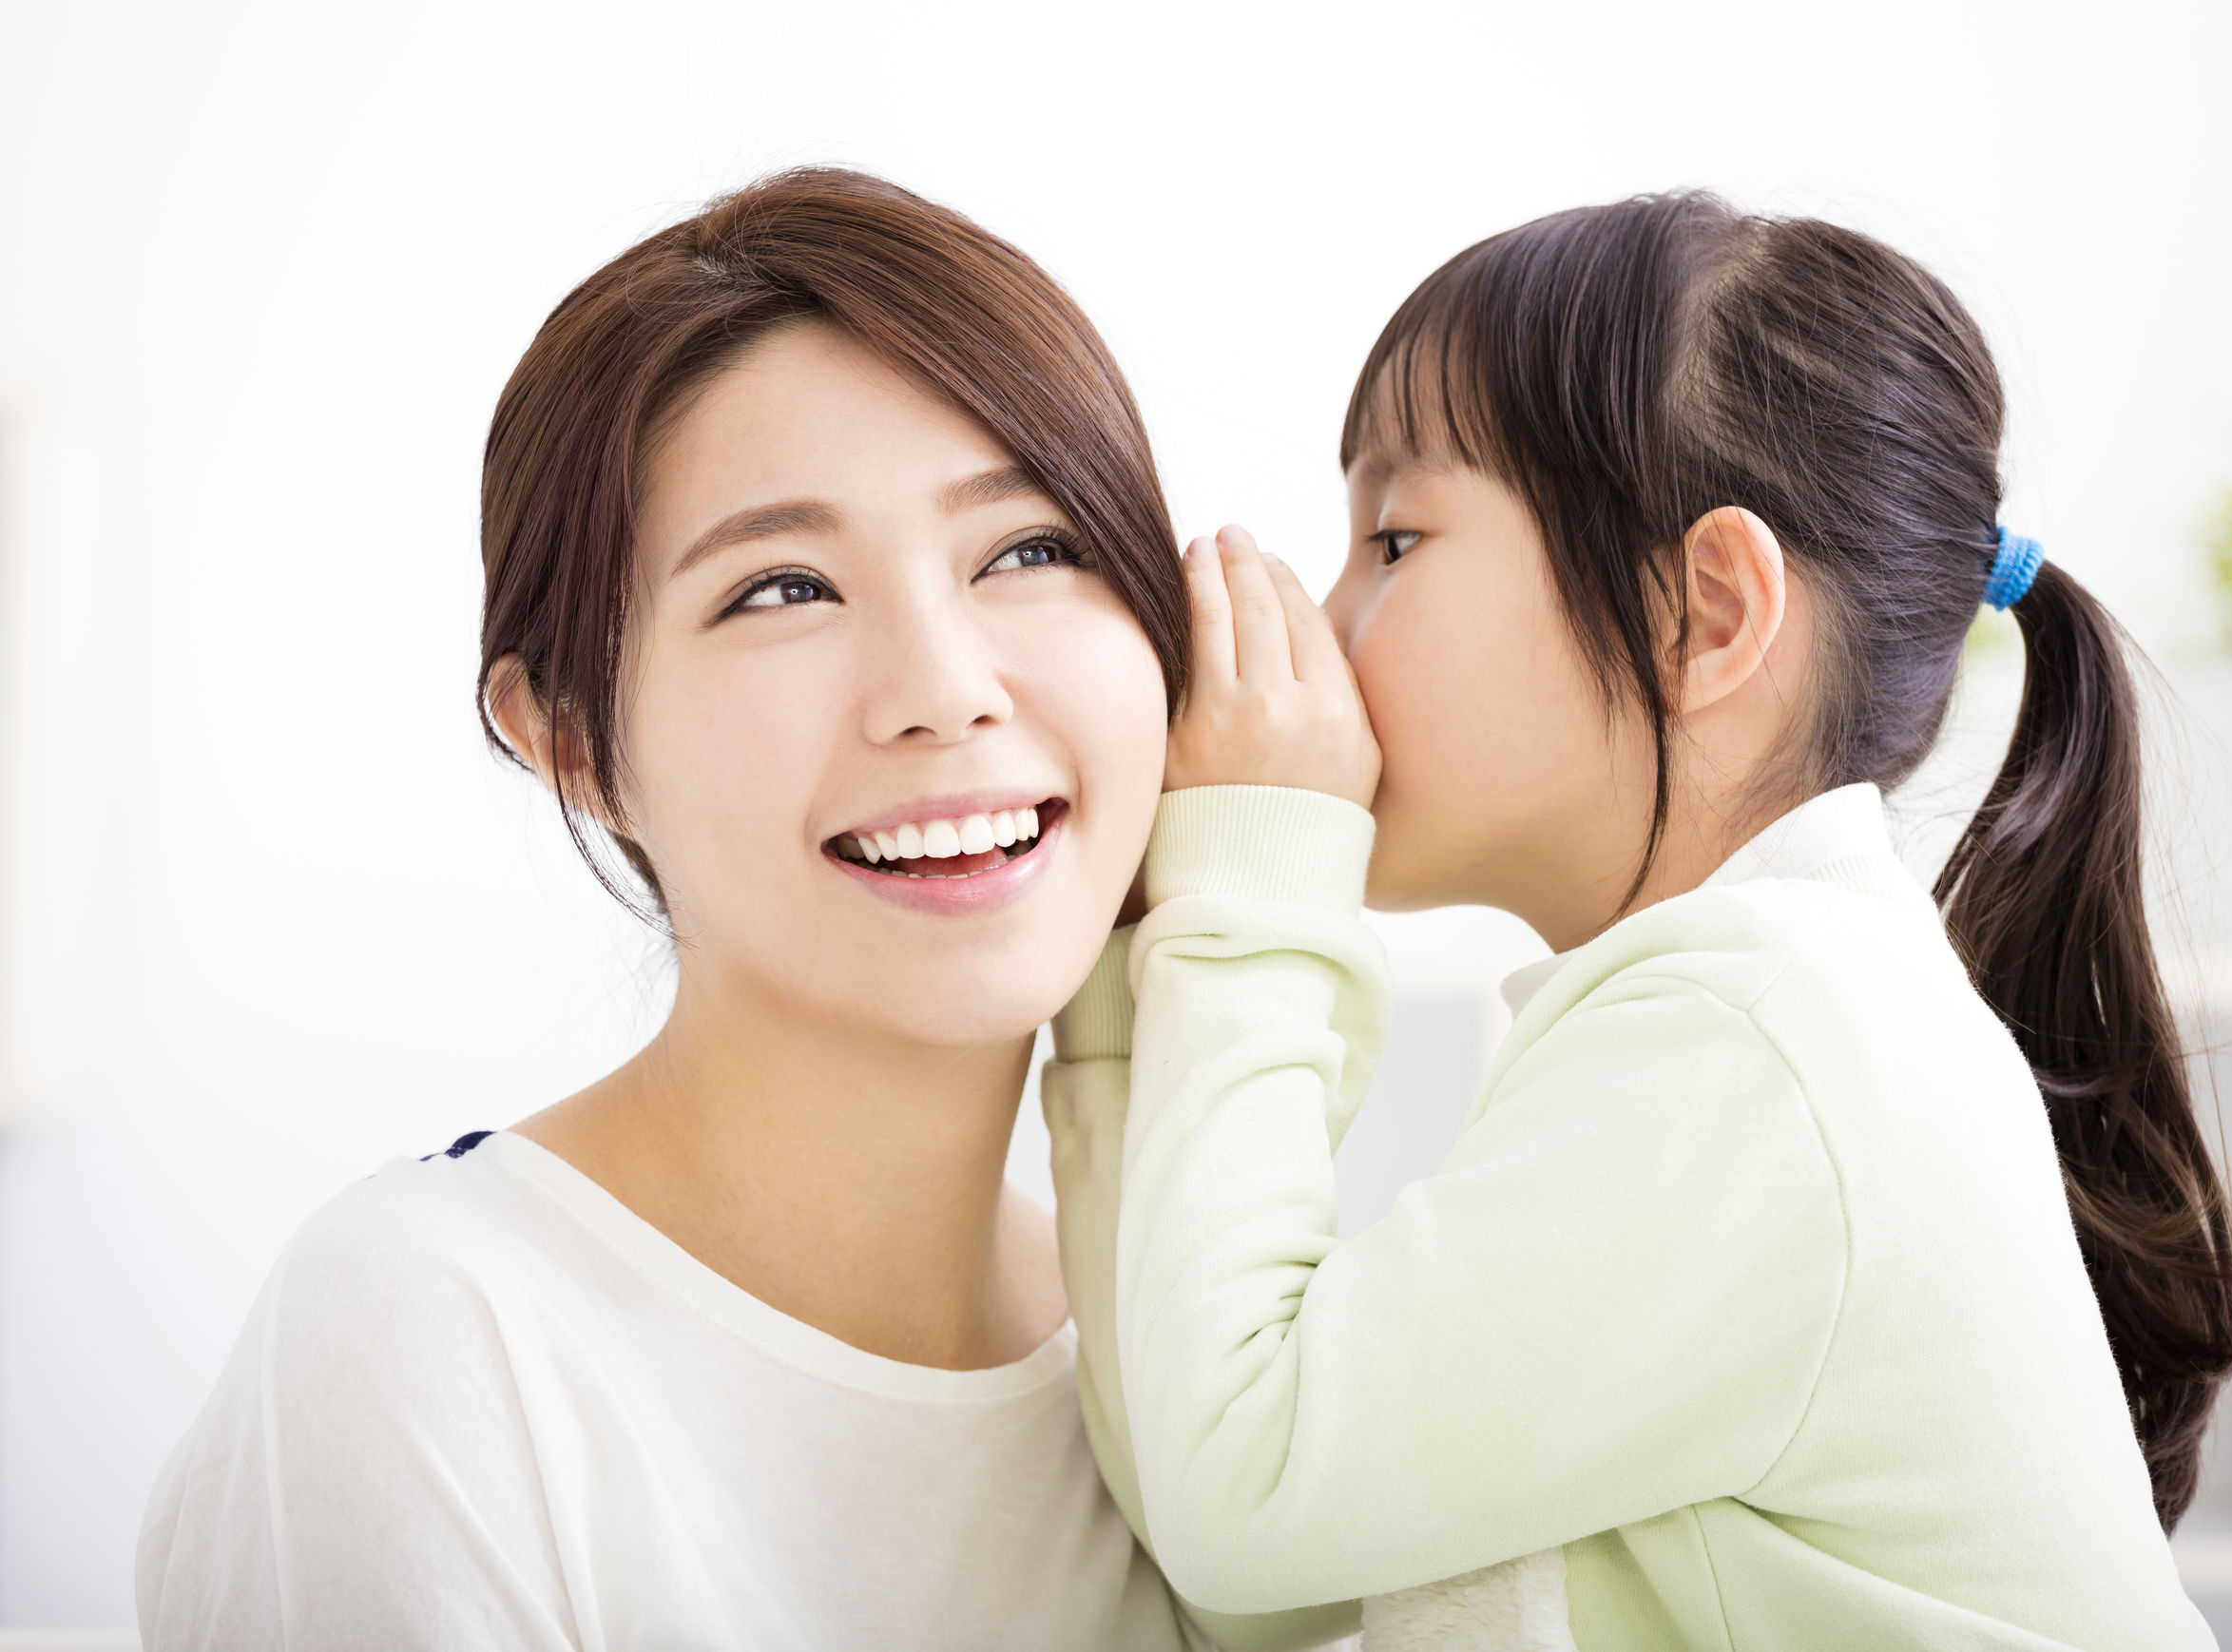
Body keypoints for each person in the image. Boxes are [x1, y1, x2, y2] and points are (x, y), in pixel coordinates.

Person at [137, 167, 1354, 1652]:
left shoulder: (1193, 1356)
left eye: (1030, 549)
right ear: (574, 739)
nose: (946, 688)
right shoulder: (439, 1330)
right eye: (782, 587)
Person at [1047, 193, 2232, 1650]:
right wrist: (1134, 984)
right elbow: (1257, 1575)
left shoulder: (1765, 1035)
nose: (1327, 610)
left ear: (1704, 614)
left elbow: (1244, 1492)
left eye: (1397, 538)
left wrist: (1247, 889)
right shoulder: (1749, 1010)